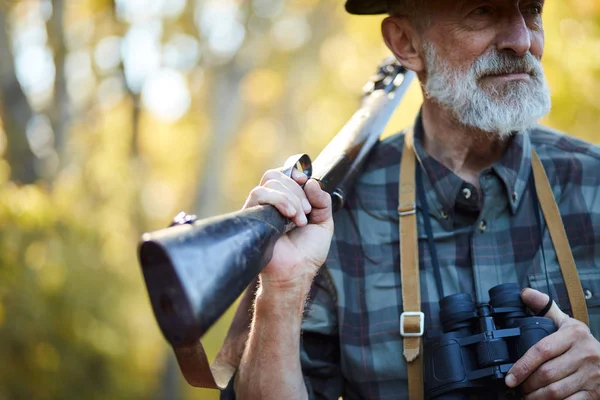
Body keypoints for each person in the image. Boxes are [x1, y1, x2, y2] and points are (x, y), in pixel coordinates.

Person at [233, 0, 600, 399]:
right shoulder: (333, 210)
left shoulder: (593, 180)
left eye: (531, 10)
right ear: (406, 42)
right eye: (482, 11)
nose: (521, 39)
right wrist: (283, 288)